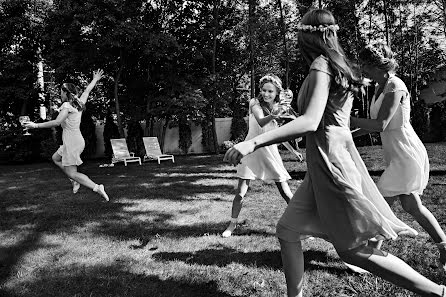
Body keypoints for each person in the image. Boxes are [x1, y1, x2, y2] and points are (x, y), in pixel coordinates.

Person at [224, 9, 446, 297]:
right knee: (288, 229)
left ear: (307, 36)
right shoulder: (334, 65)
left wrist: (252, 142)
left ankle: (438, 292)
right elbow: (325, 120)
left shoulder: (321, 65)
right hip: (324, 159)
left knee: (352, 250)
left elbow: (313, 121)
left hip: (331, 162)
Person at [351, 42, 446, 271]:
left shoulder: (395, 85)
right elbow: (374, 125)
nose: (362, 69)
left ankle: (369, 256)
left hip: (406, 153)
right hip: (396, 155)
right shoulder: (380, 86)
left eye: (366, 65)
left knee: (379, 203)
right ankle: (444, 247)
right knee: (412, 206)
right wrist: (347, 135)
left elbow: (381, 124)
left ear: (379, 65)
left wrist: (345, 119)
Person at [222, 74, 297, 238]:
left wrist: (293, 151)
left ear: (277, 92)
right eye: (264, 90)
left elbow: (276, 134)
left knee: (285, 191)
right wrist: (276, 114)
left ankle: (302, 226)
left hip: (270, 152)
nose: (266, 94)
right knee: (241, 192)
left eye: (270, 91)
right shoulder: (254, 103)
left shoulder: (279, 107)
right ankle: (232, 224)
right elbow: (262, 122)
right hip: (250, 150)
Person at [24, 69, 109, 202]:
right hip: (75, 140)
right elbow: (87, 91)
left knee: (73, 173)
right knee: (56, 158)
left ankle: (97, 187)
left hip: (72, 143)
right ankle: (74, 181)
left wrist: (35, 125)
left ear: (65, 93)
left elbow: (57, 122)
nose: (60, 94)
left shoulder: (67, 105)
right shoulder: (79, 103)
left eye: (61, 92)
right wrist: (95, 79)